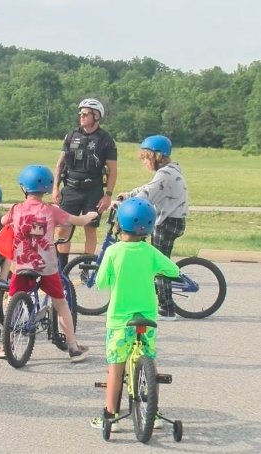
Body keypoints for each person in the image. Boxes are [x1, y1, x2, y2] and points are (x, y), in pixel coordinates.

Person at [89, 197, 179, 430]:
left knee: (115, 368)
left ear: (119, 223)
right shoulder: (150, 251)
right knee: (150, 361)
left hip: (119, 320)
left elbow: (99, 283)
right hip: (147, 319)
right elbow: (173, 270)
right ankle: (154, 413)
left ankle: (110, 416)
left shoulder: (113, 251)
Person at [0, 165, 96, 361]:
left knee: (13, 299)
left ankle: (7, 343)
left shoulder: (16, 208)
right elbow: (77, 220)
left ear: (24, 187)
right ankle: (73, 347)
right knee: (61, 303)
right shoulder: (52, 211)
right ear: (48, 189)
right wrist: (90, 215)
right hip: (46, 266)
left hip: (22, 265)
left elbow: (4, 221)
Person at [117, 135, 188, 321]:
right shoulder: (168, 171)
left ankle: (167, 309)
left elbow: (146, 196)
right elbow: (148, 187)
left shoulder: (164, 174)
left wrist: (127, 205)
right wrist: (128, 194)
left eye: (145, 158)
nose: (144, 163)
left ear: (156, 157)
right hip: (172, 221)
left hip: (167, 223)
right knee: (157, 261)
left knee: (158, 265)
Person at [53, 98, 118, 270]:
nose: (81, 116)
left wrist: (108, 195)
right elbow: (60, 164)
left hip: (93, 190)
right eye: (80, 113)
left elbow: (112, 170)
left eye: (86, 113)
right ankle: (62, 268)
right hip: (71, 188)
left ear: (96, 116)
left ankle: (86, 267)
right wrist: (55, 188)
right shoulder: (71, 135)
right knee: (62, 229)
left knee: (90, 228)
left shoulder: (106, 140)